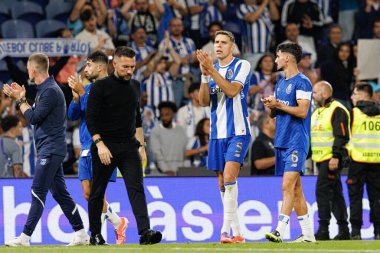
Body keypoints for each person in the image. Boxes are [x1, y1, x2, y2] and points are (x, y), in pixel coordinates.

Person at [3, 53, 88, 246]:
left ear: (33, 70)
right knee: (60, 193)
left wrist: (19, 100)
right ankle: (82, 233)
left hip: (50, 149)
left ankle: (24, 238)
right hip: (49, 149)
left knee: (37, 191)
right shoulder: (44, 90)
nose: (27, 72)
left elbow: (32, 118)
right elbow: (35, 113)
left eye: (27, 69)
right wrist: (22, 98)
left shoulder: (50, 91)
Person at [86, 46, 162, 245]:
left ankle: (145, 232)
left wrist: (142, 146)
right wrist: (100, 144)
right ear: (114, 64)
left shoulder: (135, 86)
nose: (130, 71)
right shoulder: (99, 87)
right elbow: (91, 119)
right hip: (105, 147)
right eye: (125, 67)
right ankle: (95, 234)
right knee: (97, 191)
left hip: (129, 147)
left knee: (136, 188)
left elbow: (136, 119)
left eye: (133, 67)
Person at [67, 51, 128, 245]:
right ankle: (119, 222)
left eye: (89, 65)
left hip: (103, 146)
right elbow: (72, 115)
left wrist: (83, 93)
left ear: (100, 67)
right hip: (86, 146)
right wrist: (76, 97)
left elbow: (100, 113)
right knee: (88, 193)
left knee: (97, 193)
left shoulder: (111, 87)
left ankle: (97, 237)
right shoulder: (87, 88)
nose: (85, 69)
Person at [197, 30, 251, 244]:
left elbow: (231, 91)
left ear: (232, 47)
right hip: (216, 134)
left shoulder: (241, 66)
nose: (218, 46)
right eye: (216, 42)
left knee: (229, 177)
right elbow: (202, 101)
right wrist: (204, 75)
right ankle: (238, 233)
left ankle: (225, 231)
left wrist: (210, 70)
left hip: (238, 131)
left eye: (223, 42)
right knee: (222, 182)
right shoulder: (212, 70)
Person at [261, 42, 315, 243]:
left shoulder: (303, 82)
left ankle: (279, 231)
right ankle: (308, 235)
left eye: (278, 56)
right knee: (296, 190)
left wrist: (279, 105)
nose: (275, 60)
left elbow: (302, 111)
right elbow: (276, 113)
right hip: (282, 140)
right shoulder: (281, 83)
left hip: (296, 141)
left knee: (286, 186)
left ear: (288, 58)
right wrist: (270, 106)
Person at [311, 81, 350, 240]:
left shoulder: (337, 110)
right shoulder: (317, 112)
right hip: (320, 159)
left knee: (322, 192)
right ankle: (343, 230)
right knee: (335, 194)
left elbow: (341, 136)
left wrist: (336, 156)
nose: (313, 96)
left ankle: (323, 230)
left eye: (315, 92)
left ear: (325, 94)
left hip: (331, 159)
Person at [348, 83, 380, 240]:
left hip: (357, 161)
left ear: (361, 95)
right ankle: (378, 232)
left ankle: (355, 232)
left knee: (355, 197)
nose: (352, 97)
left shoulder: (353, 113)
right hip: (377, 161)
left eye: (354, 94)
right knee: (376, 198)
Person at [150, 101, 188, 176]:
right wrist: (166, 170)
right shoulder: (155, 131)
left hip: (181, 172)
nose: (164, 118)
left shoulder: (181, 130)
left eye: (167, 114)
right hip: (162, 173)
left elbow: (185, 152)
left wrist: (184, 170)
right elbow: (157, 154)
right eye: (162, 115)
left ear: (173, 114)